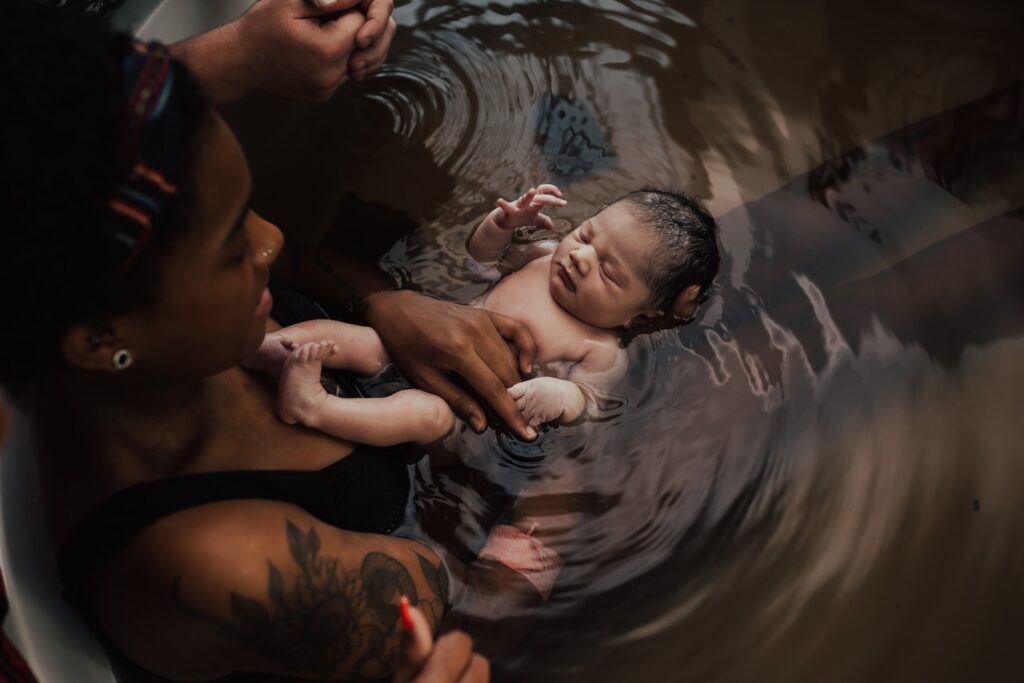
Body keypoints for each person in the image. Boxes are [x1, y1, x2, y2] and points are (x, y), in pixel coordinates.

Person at [0, 2, 500, 681]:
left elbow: (287, 258)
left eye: (248, 211)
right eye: (232, 245)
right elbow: (461, 596)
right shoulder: (217, 562)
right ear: (101, 338)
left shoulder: (133, 304)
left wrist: (387, 304)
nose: (268, 239)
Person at [467, 184, 720, 425]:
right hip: (448, 341)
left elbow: (588, 406)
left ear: (645, 314)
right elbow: (483, 262)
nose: (580, 257)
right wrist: (502, 224)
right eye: (585, 237)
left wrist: (563, 396)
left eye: (607, 272)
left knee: (443, 419)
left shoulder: (602, 351)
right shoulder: (543, 256)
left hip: (474, 403)